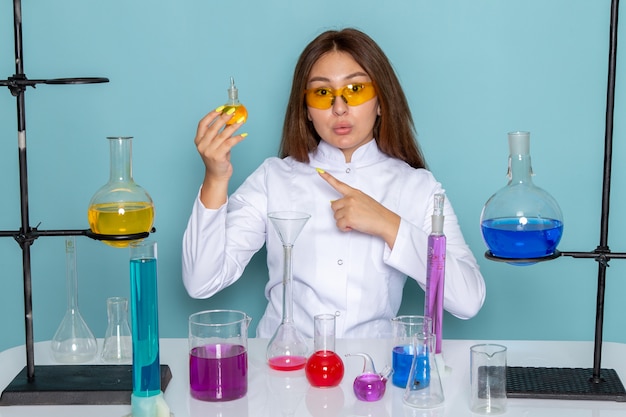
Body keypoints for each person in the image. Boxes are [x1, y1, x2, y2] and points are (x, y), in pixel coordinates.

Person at [182, 28, 485, 339]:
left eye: (355, 89)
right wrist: (215, 178)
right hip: (283, 371)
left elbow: (468, 300)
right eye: (322, 93)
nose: (339, 107)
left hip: (373, 374)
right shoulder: (273, 178)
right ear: (307, 111)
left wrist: (388, 225)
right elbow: (201, 282)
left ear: (381, 102)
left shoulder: (418, 187)